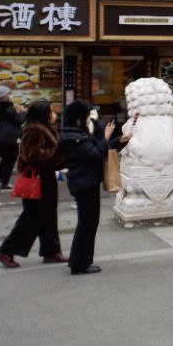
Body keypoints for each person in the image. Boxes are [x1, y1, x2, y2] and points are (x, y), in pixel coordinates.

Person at [0, 100, 63, 268]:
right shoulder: (33, 130)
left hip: (46, 177)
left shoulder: (44, 128)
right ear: (43, 113)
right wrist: (57, 152)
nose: (53, 114)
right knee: (31, 217)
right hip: (37, 178)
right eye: (50, 111)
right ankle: (5, 251)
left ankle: (51, 250)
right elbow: (32, 155)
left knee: (48, 215)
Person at [58, 100, 114, 276]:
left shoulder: (76, 134)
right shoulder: (73, 138)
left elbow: (97, 149)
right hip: (84, 184)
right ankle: (79, 263)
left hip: (86, 182)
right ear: (78, 119)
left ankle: (81, 261)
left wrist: (119, 140)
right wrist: (106, 137)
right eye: (86, 117)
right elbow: (95, 154)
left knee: (89, 223)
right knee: (87, 224)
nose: (88, 120)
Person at [0, 86, 23, 189]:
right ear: (3, 96)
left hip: (0, 137)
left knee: (5, 160)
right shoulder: (7, 107)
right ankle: (4, 182)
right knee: (9, 160)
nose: (10, 95)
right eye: (8, 93)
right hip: (10, 138)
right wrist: (23, 112)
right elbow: (18, 121)